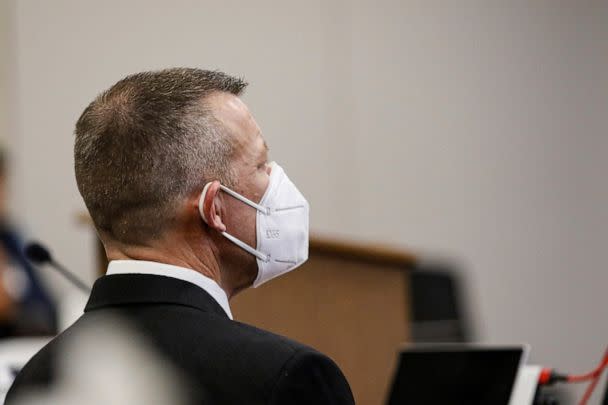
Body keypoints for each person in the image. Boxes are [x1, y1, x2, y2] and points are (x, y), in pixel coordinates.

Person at [6, 68, 354, 404]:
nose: (276, 179)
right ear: (214, 208)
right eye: (261, 165)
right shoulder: (287, 377)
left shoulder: (34, 381)